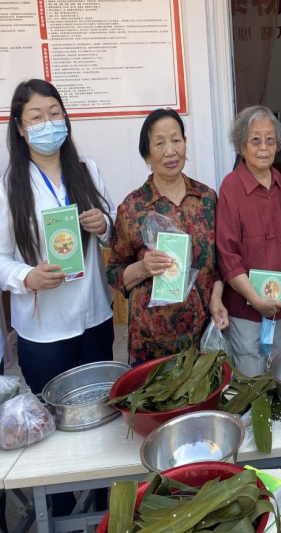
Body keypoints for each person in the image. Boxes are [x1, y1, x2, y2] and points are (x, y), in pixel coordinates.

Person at [0, 79, 116, 517]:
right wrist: (26, 276)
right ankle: (63, 512)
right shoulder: (10, 186)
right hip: (44, 331)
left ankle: (105, 505)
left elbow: (113, 229)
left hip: (95, 317)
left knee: (101, 416)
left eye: (54, 113)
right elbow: (1, 259)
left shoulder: (85, 169)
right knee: (54, 426)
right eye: (36, 117)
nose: (48, 123)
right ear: (20, 127)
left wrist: (103, 224)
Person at [107, 109, 228, 365]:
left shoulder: (206, 199)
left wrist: (216, 297)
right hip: (152, 344)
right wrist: (143, 268)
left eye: (176, 140)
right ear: (146, 154)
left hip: (202, 338)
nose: (170, 151)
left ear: (185, 143)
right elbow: (114, 273)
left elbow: (219, 263)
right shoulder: (133, 208)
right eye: (159, 143)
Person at [214, 106, 281, 376]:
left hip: (280, 307)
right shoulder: (231, 187)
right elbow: (228, 257)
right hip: (246, 311)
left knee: (280, 375)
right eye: (255, 140)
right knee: (251, 381)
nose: (264, 147)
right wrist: (256, 299)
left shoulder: (278, 180)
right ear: (241, 145)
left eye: (270, 139)